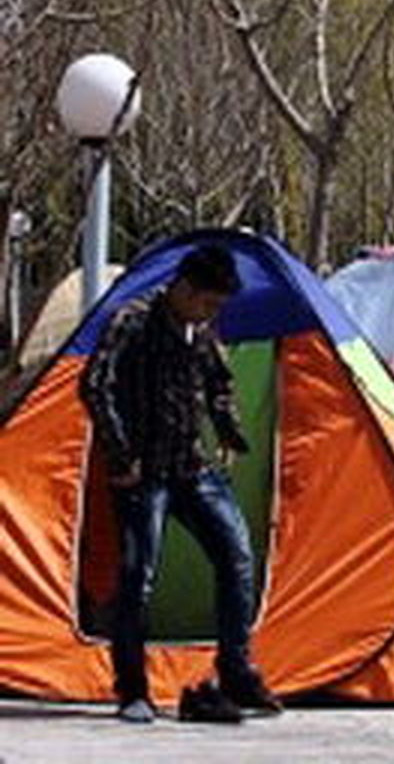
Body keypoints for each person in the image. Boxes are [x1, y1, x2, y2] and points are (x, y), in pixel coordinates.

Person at [80, 244, 281, 724]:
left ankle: (235, 669)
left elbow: (219, 381)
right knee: (138, 578)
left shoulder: (202, 328)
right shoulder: (133, 320)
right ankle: (133, 690)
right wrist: (120, 452)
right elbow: (94, 383)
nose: (212, 312)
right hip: (142, 473)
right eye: (208, 302)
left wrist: (228, 431)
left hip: (191, 466)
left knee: (236, 556)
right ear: (184, 289)